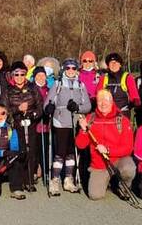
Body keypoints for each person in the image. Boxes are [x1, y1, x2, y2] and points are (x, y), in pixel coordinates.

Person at [76, 89, 136, 200]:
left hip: (118, 160)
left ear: (112, 101)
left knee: (128, 168)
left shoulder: (122, 120)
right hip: (99, 164)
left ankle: (121, 186)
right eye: (100, 101)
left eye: (106, 100)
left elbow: (128, 148)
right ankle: (108, 180)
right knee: (95, 196)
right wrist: (84, 130)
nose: (103, 104)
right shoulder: (90, 119)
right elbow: (80, 145)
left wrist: (108, 150)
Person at [44, 58, 91, 195]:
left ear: (77, 70)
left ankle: (68, 179)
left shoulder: (81, 85)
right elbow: (48, 102)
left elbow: (87, 106)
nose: (71, 70)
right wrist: (49, 108)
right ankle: (55, 179)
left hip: (75, 122)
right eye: (68, 68)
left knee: (71, 152)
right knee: (60, 152)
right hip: (60, 121)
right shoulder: (58, 84)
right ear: (64, 69)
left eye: (74, 68)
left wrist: (78, 108)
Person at [3, 61, 43, 192]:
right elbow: (4, 111)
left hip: (30, 124)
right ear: (12, 75)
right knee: (19, 152)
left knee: (31, 152)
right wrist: (17, 109)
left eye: (22, 74)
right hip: (15, 125)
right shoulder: (8, 90)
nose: (19, 77)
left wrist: (32, 114)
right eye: (17, 74)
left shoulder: (32, 88)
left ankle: (29, 180)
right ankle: (18, 181)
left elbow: (40, 107)